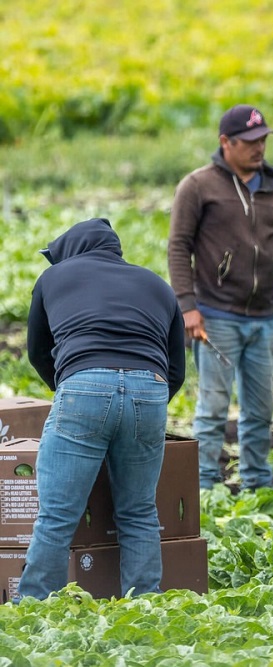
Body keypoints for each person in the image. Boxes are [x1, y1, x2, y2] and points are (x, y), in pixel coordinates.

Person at [20, 218, 186, 600]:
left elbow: (37, 350)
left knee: (58, 517)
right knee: (139, 512)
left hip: (83, 384)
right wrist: (143, 405)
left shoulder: (54, 278)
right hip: (151, 390)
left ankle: (31, 607)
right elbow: (175, 368)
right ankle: (144, 603)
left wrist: (71, 389)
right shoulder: (157, 284)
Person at [168, 104, 273, 490]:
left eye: (263, 139)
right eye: (250, 141)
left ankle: (255, 483)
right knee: (213, 407)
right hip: (216, 314)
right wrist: (187, 306)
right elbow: (178, 246)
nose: (259, 147)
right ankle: (203, 484)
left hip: (264, 317)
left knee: (260, 409)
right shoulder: (198, 186)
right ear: (226, 143)